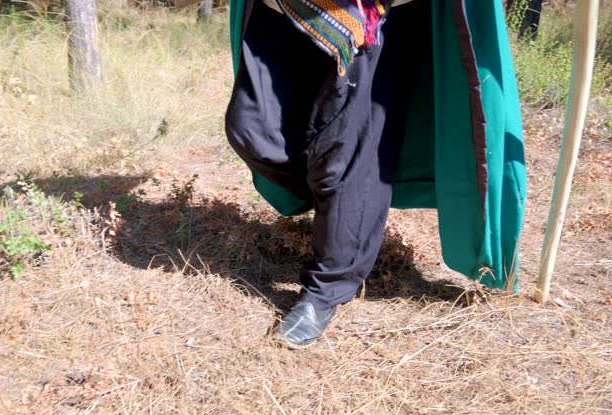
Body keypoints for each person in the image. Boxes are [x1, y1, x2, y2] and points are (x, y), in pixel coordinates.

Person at [224, 0, 528, 348]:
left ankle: (327, 287)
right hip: (287, 8)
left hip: (369, 17)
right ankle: (336, 204)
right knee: (251, 128)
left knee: (344, 155)